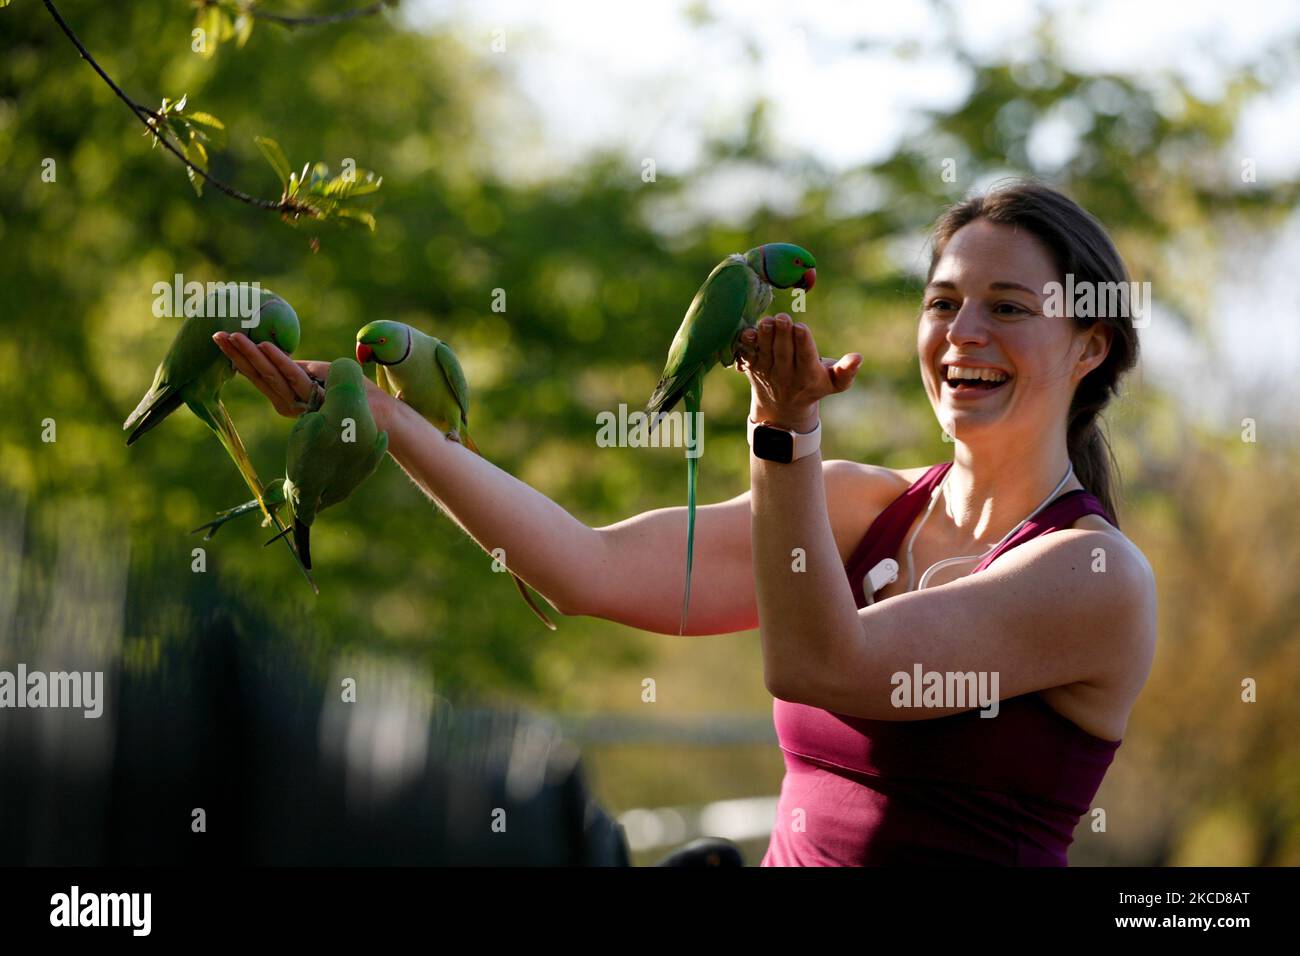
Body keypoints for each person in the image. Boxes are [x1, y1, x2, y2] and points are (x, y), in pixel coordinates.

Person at [215, 180, 1157, 866]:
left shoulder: (1092, 578)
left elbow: (824, 665)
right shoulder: (860, 507)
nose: (962, 335)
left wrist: (784, 436)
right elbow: (582, 569)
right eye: (943, 303)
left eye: (1008, 308)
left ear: (1090, 344)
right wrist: (386, 419)